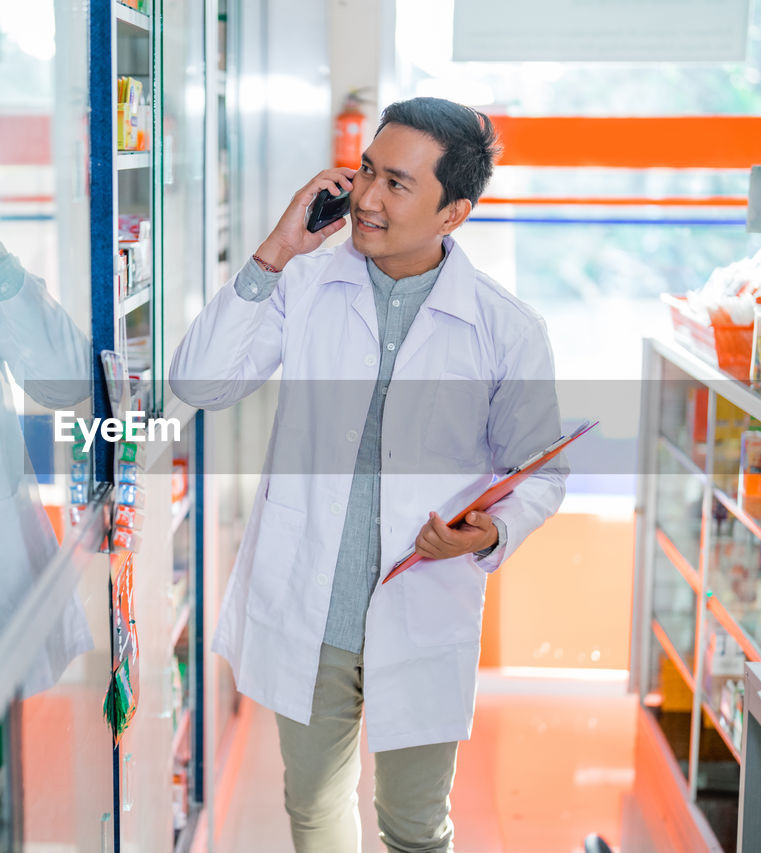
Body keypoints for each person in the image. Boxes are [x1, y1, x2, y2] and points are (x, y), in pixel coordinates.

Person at [169, 97, 567, 852]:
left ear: (454, 213)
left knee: (414, 825)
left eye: (397, 184)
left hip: (421, 604)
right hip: (310, 603)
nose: (368, 200)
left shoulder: (505, 328)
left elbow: (539, 472)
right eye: (366, 173)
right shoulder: (307, 282)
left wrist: (492, 530)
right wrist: (275, 250)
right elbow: (200, 383)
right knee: (314, 808)